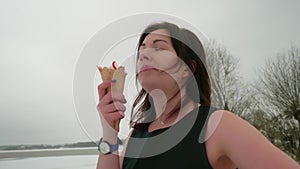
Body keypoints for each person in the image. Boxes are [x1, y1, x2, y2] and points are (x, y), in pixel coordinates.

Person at [96, 22, 299, 169]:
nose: (143, 54)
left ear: (187, 69)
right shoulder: (137, 135)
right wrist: (109, 130)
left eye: (158, 47)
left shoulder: (216, 125)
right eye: (142, 49)